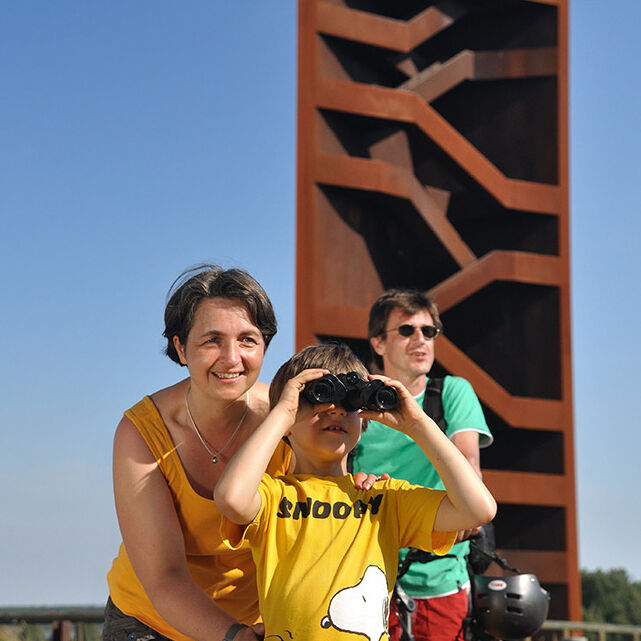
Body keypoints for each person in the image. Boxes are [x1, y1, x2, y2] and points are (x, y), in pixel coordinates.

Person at [213, 343, 496, 641]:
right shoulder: (273, 496)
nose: (335, 409)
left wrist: (417, 424)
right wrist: (282, 413)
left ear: (364, 418)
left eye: (350, 402)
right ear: (288, 420)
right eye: (317, 398)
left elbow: (478, 509)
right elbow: (231, 498)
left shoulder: (385, 499)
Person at [104, 265, 289, 641]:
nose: (231, 358)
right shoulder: (141, 432)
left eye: (248, 340)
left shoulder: (287, 420)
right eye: (212, 341)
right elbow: (164, 577)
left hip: (257, 622)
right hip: (150, 620)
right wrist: (234, 636)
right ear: (180, 348)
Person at [352, 289, 494, 641]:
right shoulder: (356, 402)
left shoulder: (451, 392)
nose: (421, 340)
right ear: (378, 343)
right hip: (366, 579)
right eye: (406, 330)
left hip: (439, 577)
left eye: (428, 332)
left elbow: (468, 468)